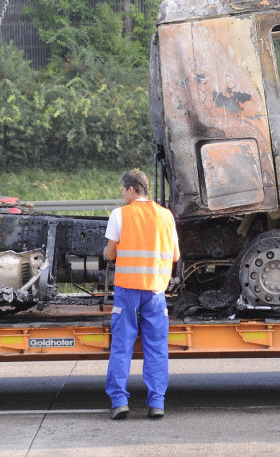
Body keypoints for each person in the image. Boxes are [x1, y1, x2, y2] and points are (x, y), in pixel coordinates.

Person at [103, 168, 180, 420]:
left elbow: (110, 254)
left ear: (132, 190)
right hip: (156, 290)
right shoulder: (166, 216)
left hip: (127, 290)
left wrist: (108, 252)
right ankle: (156, 403)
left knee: (122, 347)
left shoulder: (120, 215)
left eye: (123, 190)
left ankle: (119, 401)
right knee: (157, 347)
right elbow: (176, 255)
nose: (122, 195)